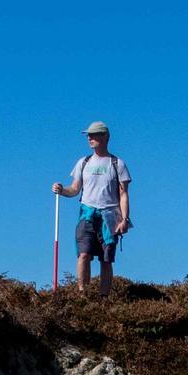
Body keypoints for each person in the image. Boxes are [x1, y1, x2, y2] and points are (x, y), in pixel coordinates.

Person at [51, 122, 131, 297]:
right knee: (83, 254)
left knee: (106, 259)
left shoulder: (117, 164)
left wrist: (124, 220)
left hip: (110, 217)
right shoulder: (83, 162)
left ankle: (104, 298)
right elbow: (75, 188)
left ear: (105, 137)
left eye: (94, 135)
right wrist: (62, 190)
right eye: (88, 135)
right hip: (87, 214)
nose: (89, 138)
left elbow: (123, 194)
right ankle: (82, 294)